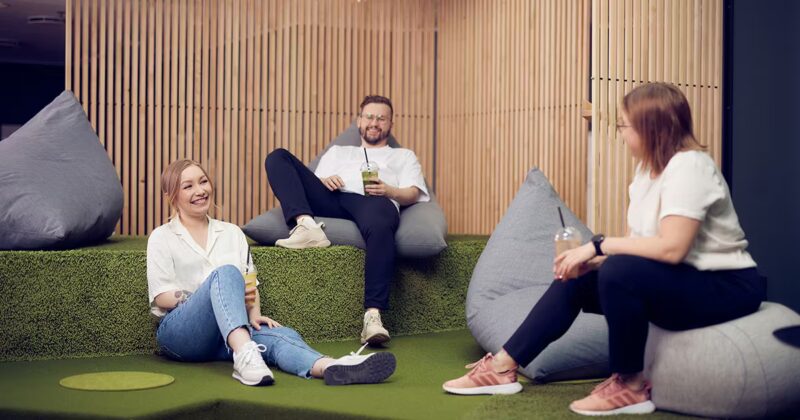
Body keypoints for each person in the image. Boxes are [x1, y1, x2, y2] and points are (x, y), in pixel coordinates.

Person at [442, 83, 766, 416]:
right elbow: (639, 251)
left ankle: (630, 386)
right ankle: (502, 366)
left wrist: (597, 246)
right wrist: (592, 263)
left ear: (652, 129)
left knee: (614, 267)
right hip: (678, 281)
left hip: (726, 286)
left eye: (625, 126)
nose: (621, 134)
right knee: (580, 277)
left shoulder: (690, 167)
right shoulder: (645, 173)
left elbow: (673, 249)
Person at [147, 159, 396, 387]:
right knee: (225, 274)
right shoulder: (162, 237)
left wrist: (255, 315)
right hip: (181, 335)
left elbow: (250, 283)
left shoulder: (232, 233)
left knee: (281, 336)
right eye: (188, 186)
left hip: (228, 334)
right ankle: (245, 355)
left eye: (203, 181)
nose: (200, 190)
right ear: (172, 196)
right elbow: (162, 297)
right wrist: (213, 296)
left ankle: (330, 366)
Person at [264, 95, 430, 345]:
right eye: (369, 117)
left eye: (381, 118)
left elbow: (413, 193)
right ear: (359, 121)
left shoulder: (403, 156)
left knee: (381, 223)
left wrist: (389, 191)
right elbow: (312, 183)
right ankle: (306, 225)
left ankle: (373, 316)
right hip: (332, 197)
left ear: (390, 124)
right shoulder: (338, 152)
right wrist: (324, 181)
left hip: (374, 201)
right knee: (278, 157)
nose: (374, 122)